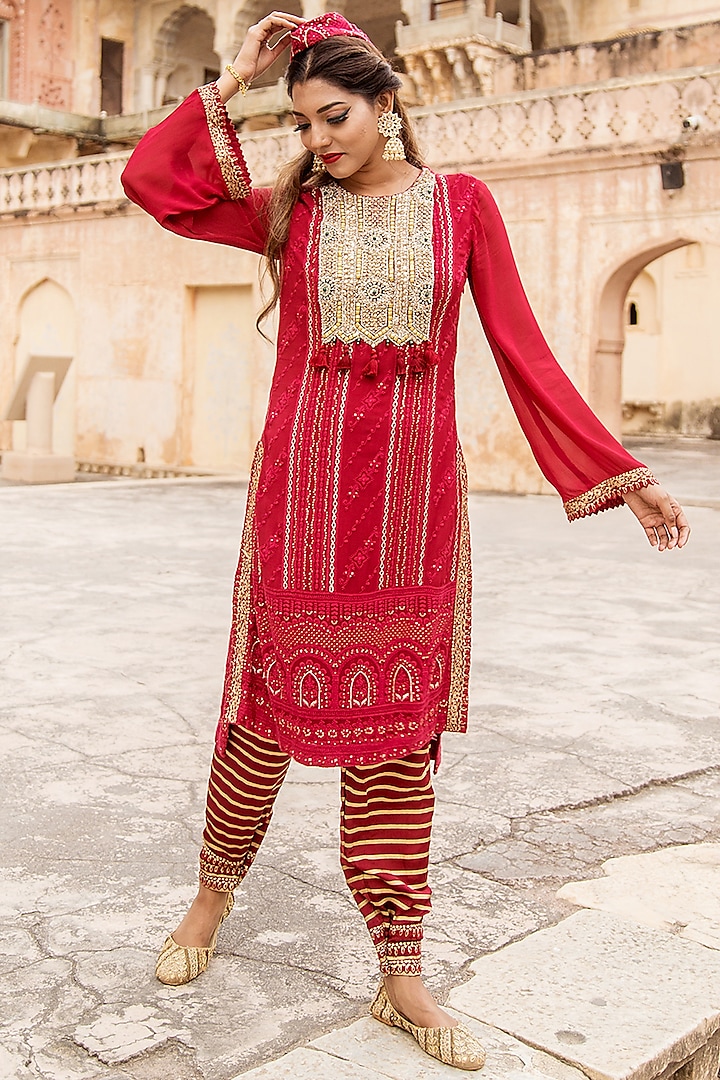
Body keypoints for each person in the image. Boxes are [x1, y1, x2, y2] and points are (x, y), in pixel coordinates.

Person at [121, 11, 690, 1071]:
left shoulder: (462, 208)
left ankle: (400, 969)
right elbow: (159, 184)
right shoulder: (292, 209)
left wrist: (627, 475)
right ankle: (211, 898)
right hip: (300, 499)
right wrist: (240, 78)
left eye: (334, 116)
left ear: (390, 103)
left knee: (396, 736)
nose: (318, 139)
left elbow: (522, 348)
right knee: (262, 702)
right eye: (301, 122)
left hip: (411, 513)